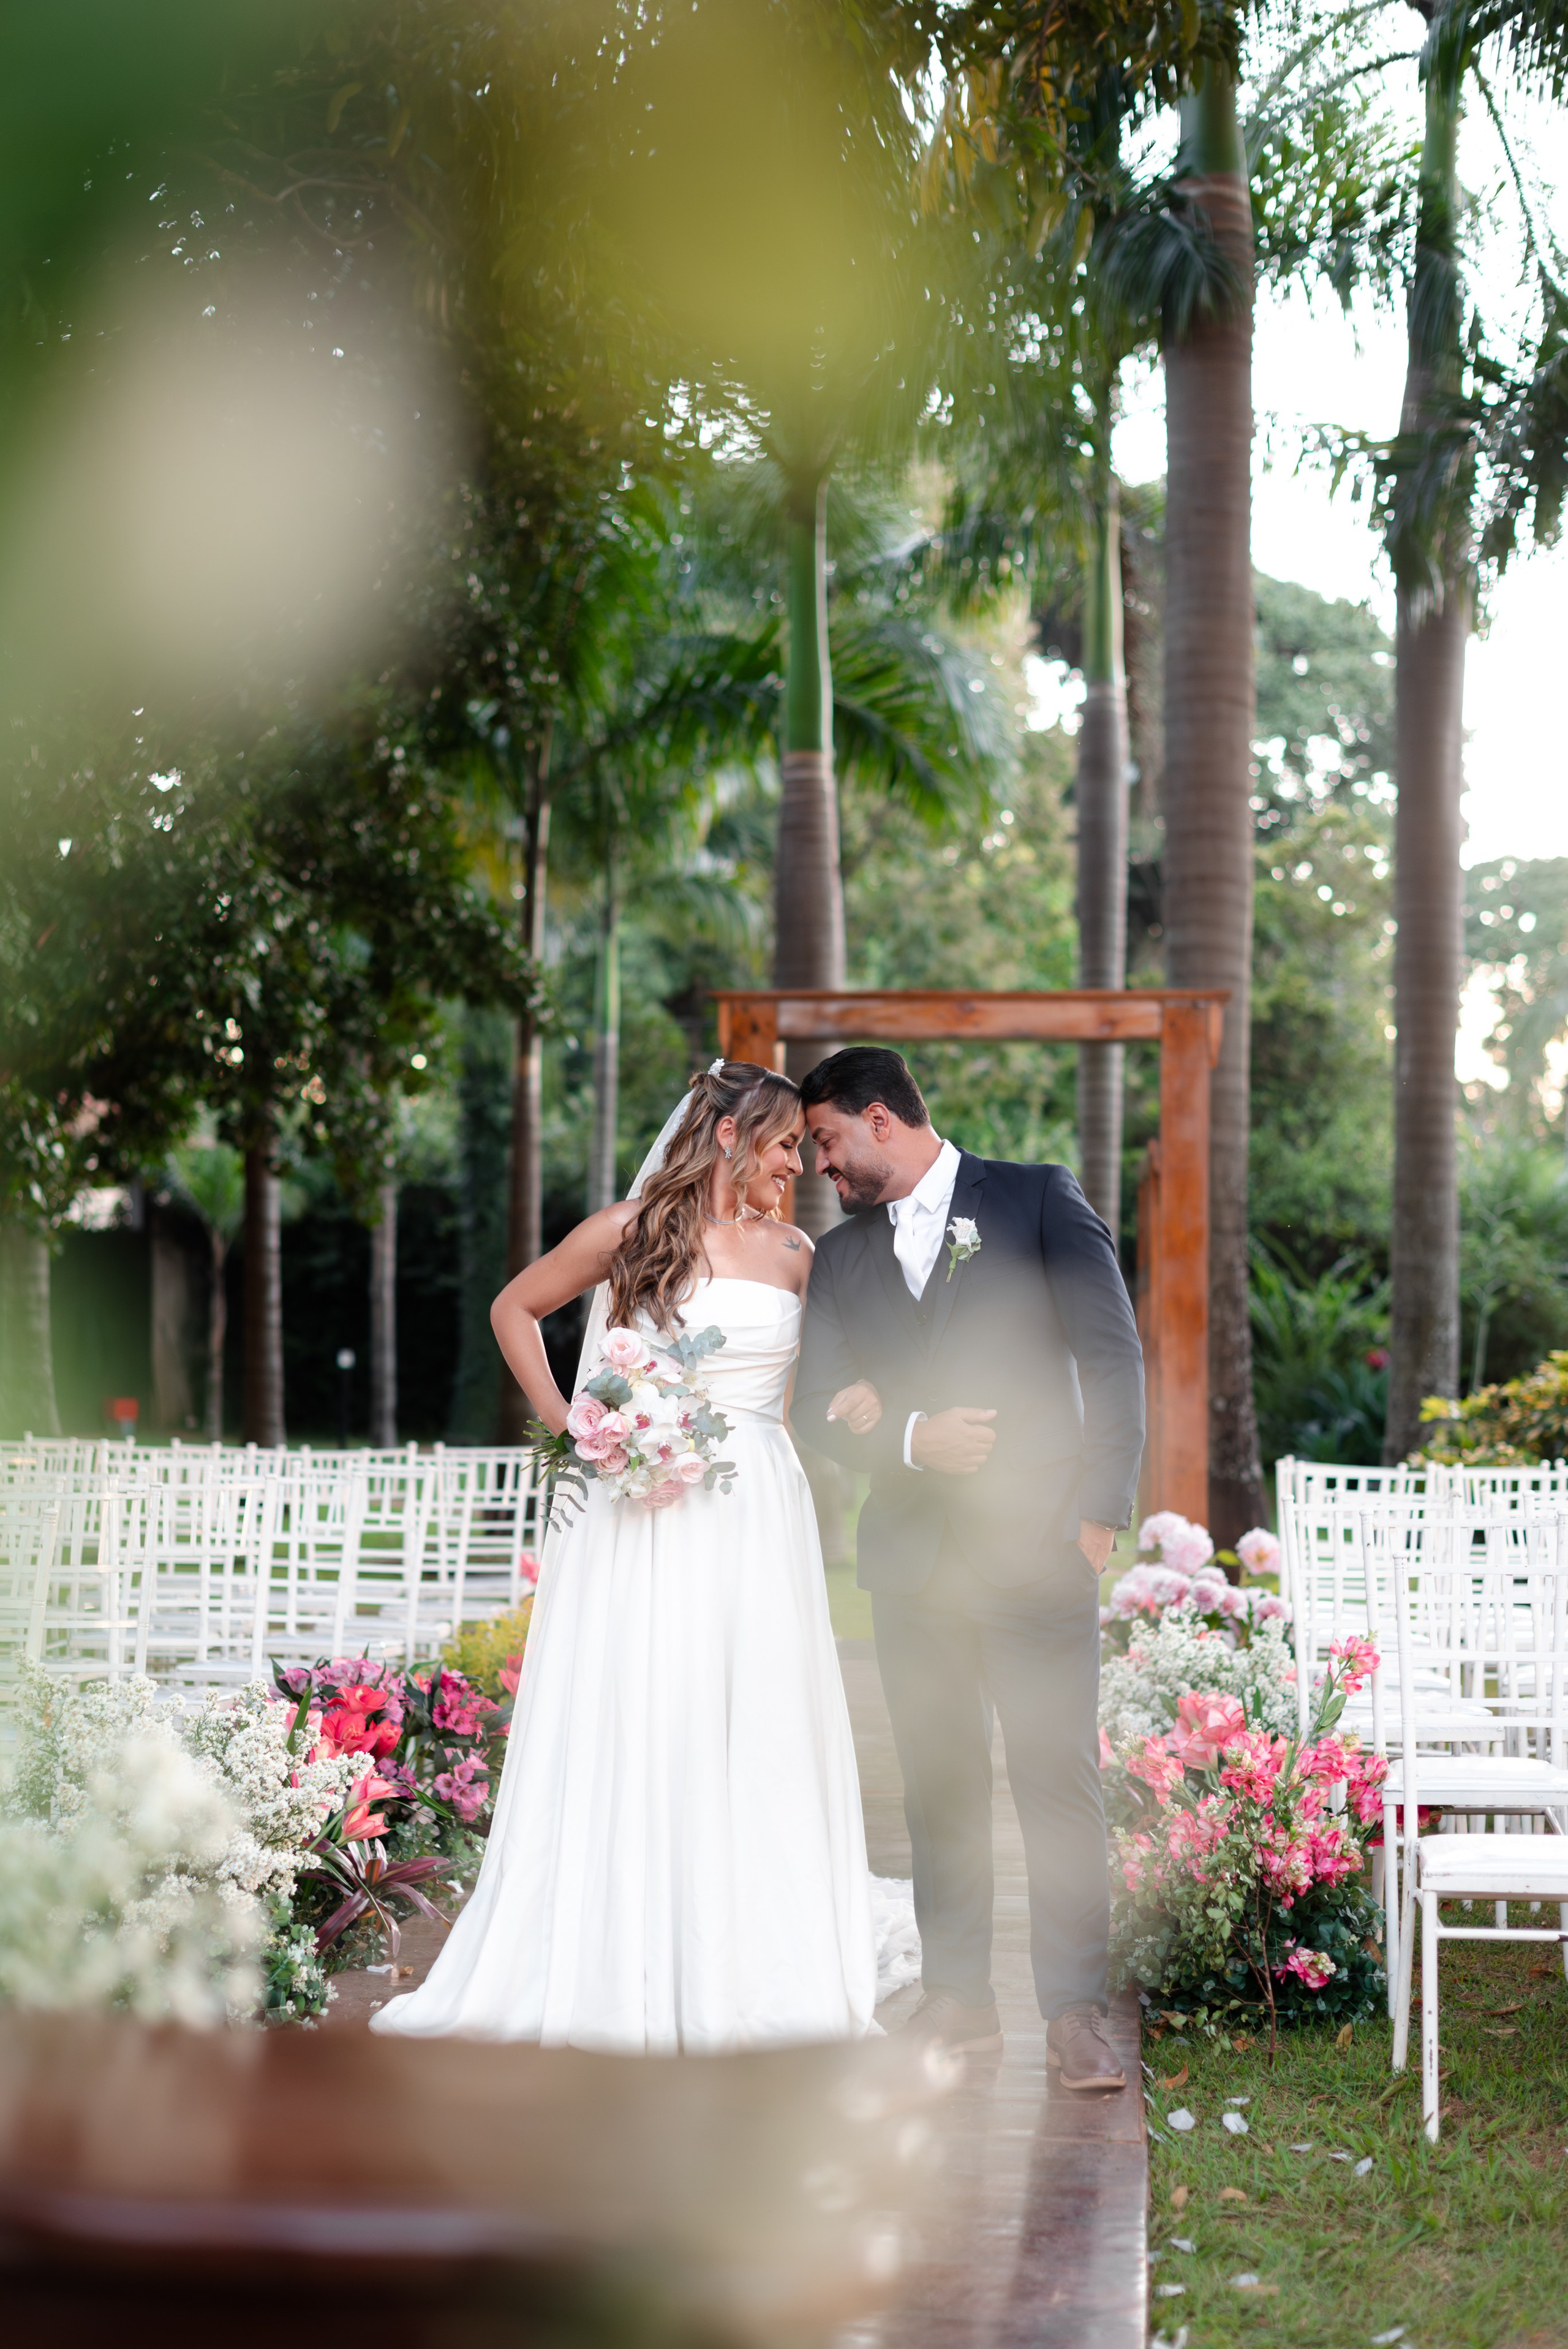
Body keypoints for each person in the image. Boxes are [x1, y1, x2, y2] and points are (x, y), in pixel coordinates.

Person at [370, 1060, 901, 2052]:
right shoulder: (630, 1231)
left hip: (757, 1510)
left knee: (751, 1713)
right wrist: (573, 1426)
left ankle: (751, 1943)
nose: (799, 1165)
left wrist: (873, 1397)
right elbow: (515, 1308)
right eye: (787, 1143)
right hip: (643, 1513)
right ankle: (625, 1930)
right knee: (646, 1702)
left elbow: (834, 1375)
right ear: (732, 1134)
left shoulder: (797, 1252)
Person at [793, 1046, 1145, 2092]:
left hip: (1038, 1553)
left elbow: (1112, 1355)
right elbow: (818, 1403)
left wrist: (1098, 1516)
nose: (819, 1164)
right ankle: (959, 2002)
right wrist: (909, 1436)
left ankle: (1075, 2011)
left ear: (880, 1119)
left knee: (1055, 1782)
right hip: (912, 1570)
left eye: (826, 1140)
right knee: (939, 1785)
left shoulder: (1036, 1200)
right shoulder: (842, 1259)